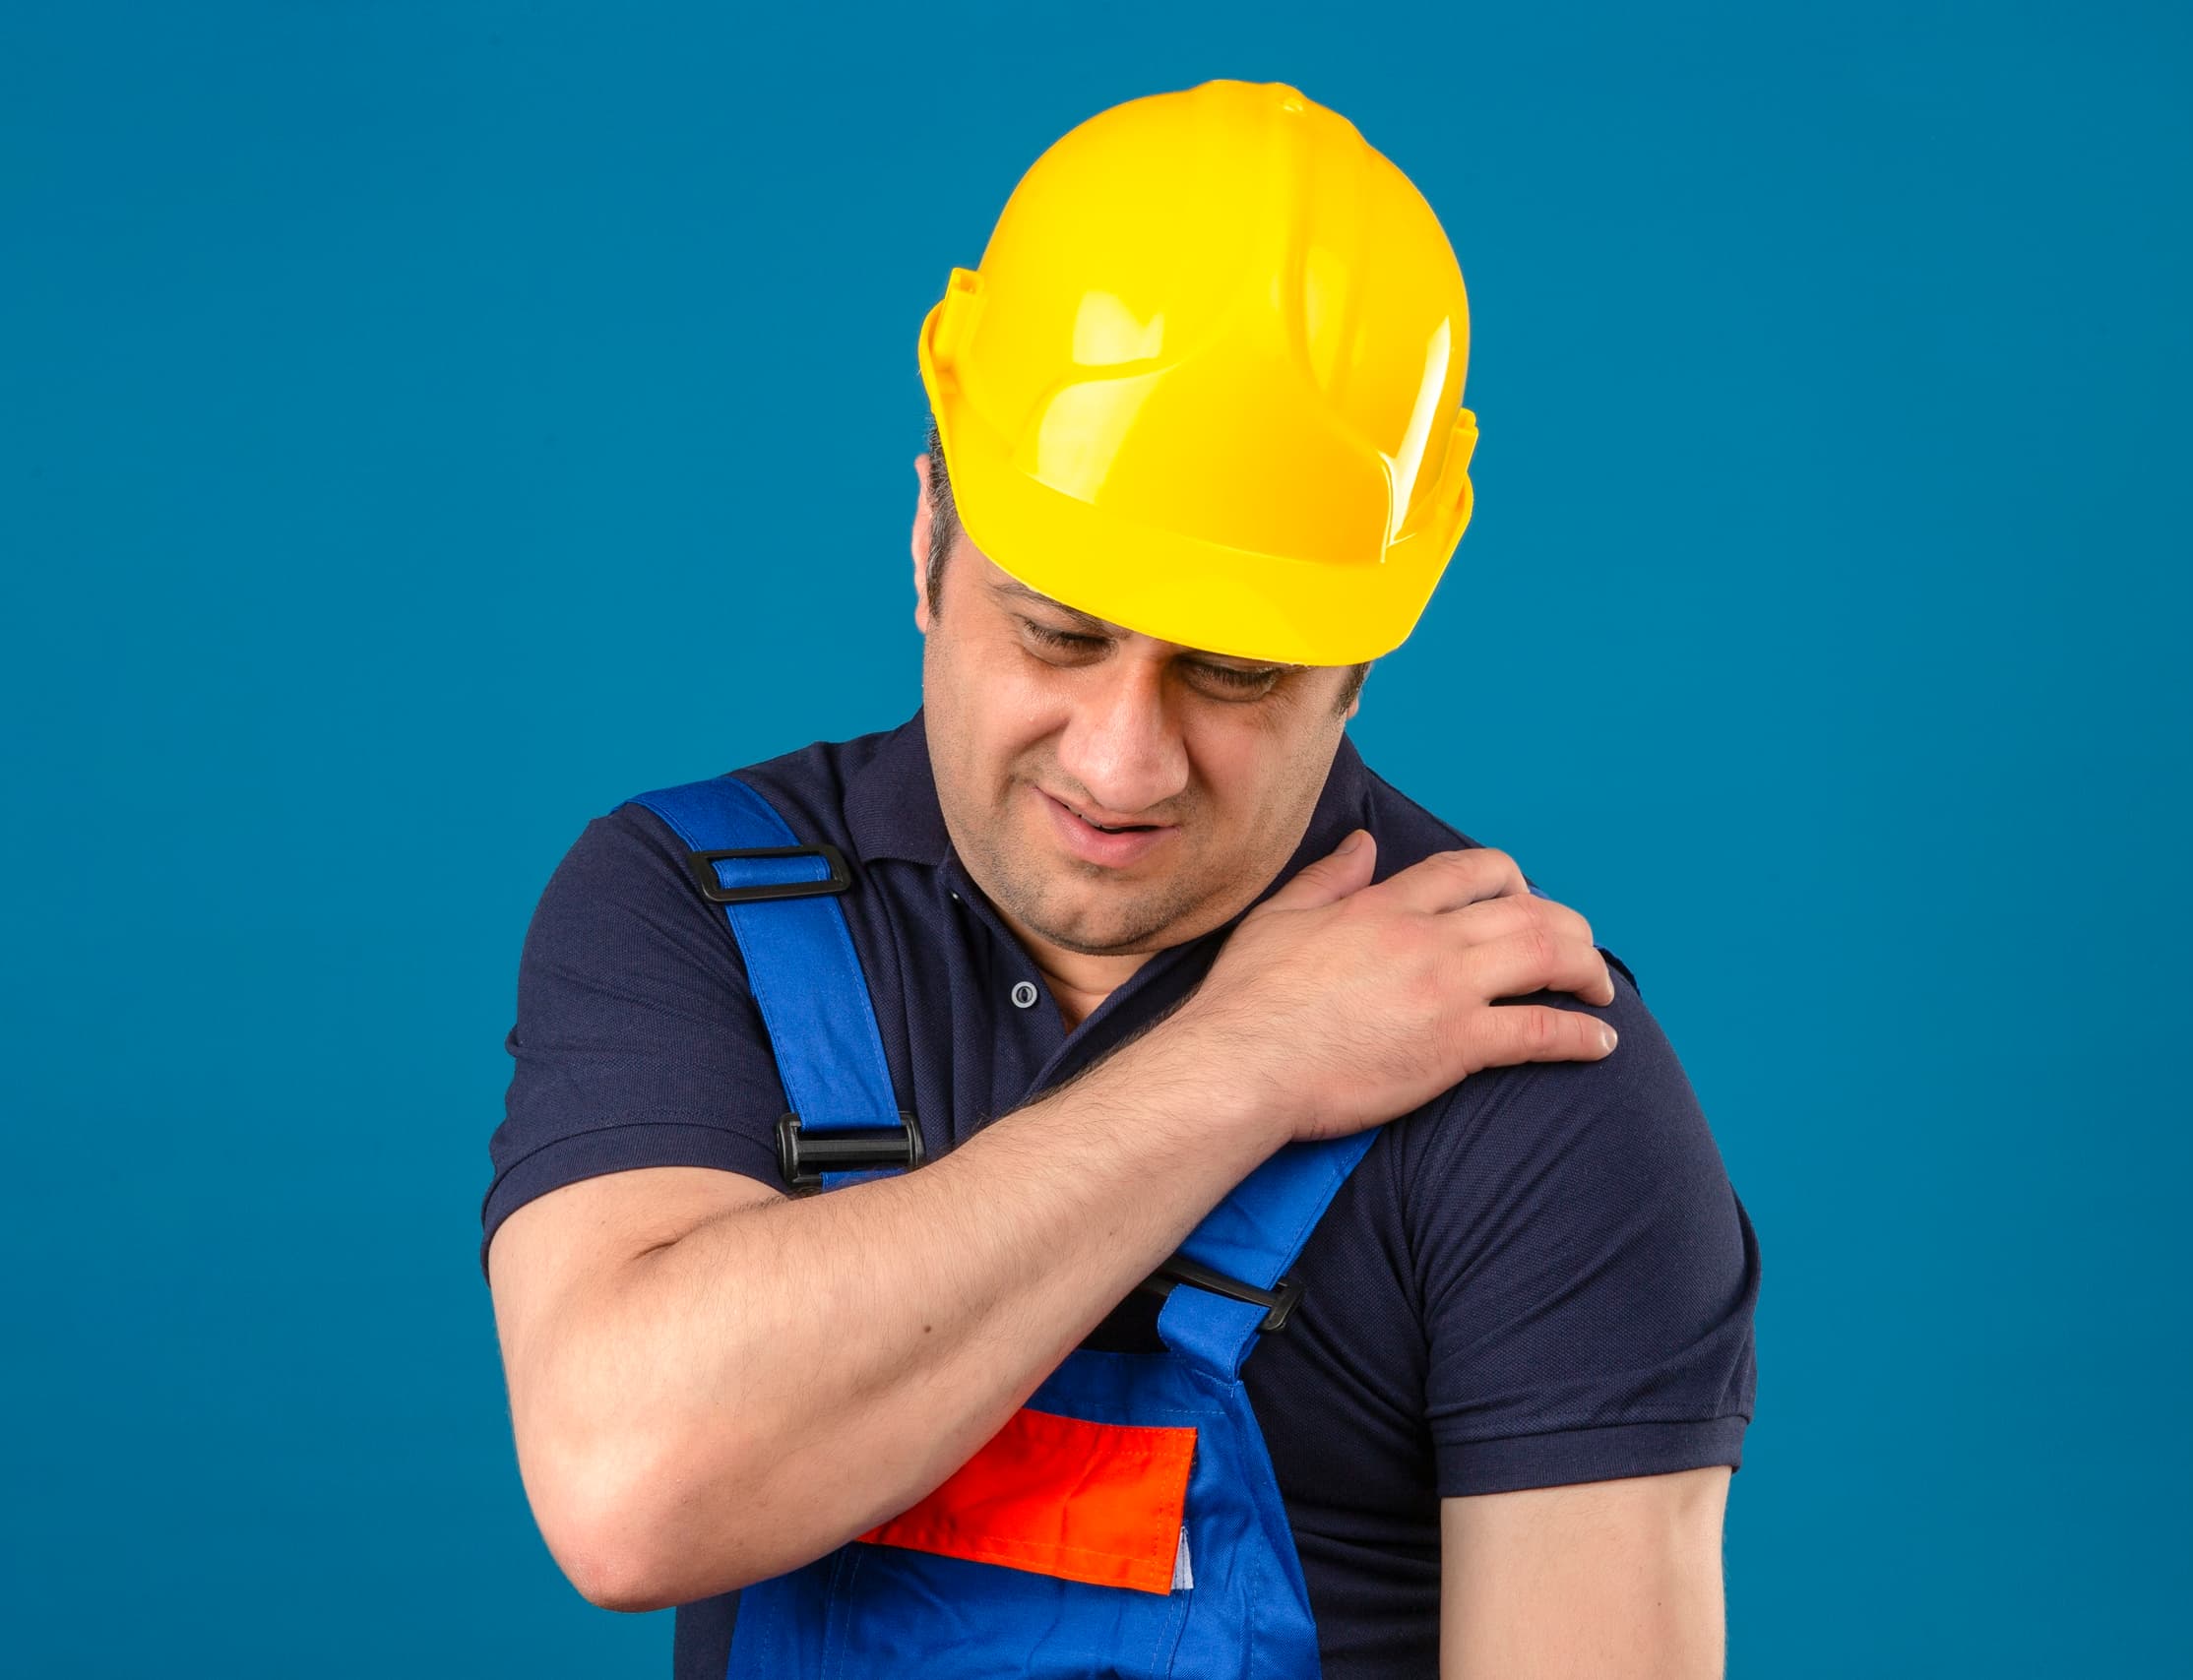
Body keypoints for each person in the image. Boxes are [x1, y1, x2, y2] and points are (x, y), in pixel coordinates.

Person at [481, 79, 1758, 1679]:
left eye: (1233, 673)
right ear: (930, 537)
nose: (1123, 761)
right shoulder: (697, 909)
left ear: (1359, 658)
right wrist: (1247, 1062)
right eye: (1058, 635)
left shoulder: (1527, 1068)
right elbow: (628, 1488)